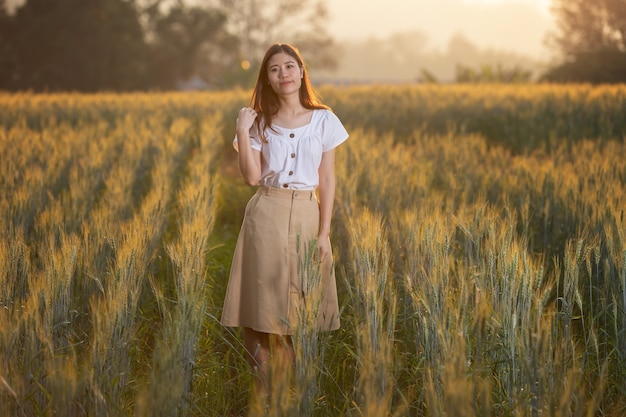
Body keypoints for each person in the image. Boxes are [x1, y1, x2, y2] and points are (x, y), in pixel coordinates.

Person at [220, 43, 349, 399]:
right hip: (266, 212)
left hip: (308, 214)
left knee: (297, 307)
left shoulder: (324, 119)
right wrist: (243, 130)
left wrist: (324, 233)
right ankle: (264, 386)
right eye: (275, 69)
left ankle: (288, 390)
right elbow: (250, 177)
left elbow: (327, 180)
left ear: (302, 71)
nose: (284, 74)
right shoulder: (259, 121)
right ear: (268, 79)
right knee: (261, 304)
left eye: (290, 66)